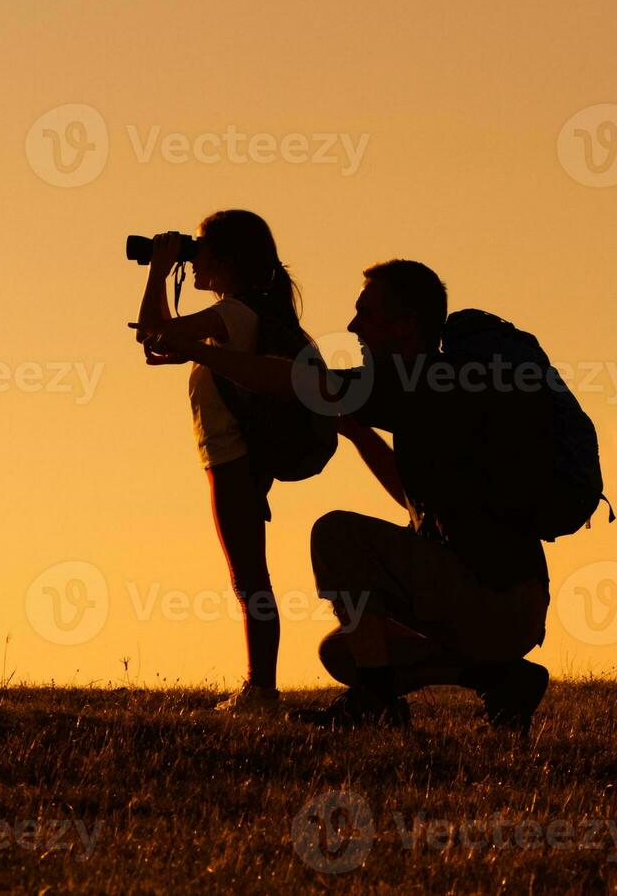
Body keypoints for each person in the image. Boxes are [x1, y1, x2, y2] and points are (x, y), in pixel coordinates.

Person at [143, 259, 553, 734]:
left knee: (336, 534)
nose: (353, 326)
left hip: (497, 603)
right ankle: (500, 677)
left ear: (405, 326)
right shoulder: (437, 385)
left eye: (367, 314)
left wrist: (200, 352)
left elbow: (289, 379)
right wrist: (358, 435)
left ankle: (379, 704)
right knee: (343, 651)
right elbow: (411, 496)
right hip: (505, 607)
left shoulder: (413, 380)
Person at [134, 211, 308, 714]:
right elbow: (164, 340)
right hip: (234, 454)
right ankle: (261, 686)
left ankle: (261, 690)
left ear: (228, 260)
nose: (194, 255)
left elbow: (152, 332)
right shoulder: (243, 312)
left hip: (232, 455)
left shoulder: (234, 312)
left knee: (248, 574)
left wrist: (157, 272)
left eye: (200, 247)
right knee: (249, 570)